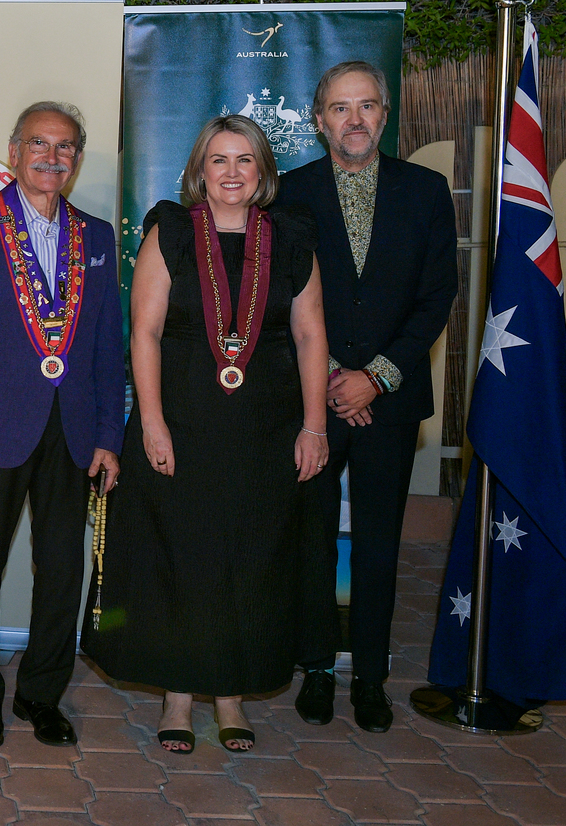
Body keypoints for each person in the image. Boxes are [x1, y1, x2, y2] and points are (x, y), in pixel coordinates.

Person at [81, 114, 331, 754]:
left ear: (263, 171)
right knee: (180, 557)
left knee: (252, 558)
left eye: (245, 159)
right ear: (200, 169)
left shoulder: (292, 237)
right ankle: (177, 695)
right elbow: (144, 333)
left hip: (267, 429)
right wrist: (152, 422)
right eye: (219, 159)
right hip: (182, 422)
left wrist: (314, 425)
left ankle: (231, 695)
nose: (231, 172)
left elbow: (310, 335)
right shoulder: (170, 232)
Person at [0, 101, 124, 749]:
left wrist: (109, 435)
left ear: (77, 159)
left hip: (72, 433)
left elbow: (106, 345)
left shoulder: (96, 236)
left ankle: (42, 694)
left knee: (63, 570)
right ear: (14, 151)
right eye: (39, 144)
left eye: (65, 146)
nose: (52, 156)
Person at [278, 61, 457, 732]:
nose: (354, 119)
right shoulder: (288, 194)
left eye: (367, 106)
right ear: (319, 119)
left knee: (380, 543)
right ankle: (318, 669)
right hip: (312, 402)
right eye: (340, 107)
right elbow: (280, 295)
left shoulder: (426, 191)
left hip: (391, 401)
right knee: (312, 539)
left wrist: (376, 376)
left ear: (385, 113)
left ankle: (372, 678)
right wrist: (331, 379)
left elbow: (437, 295)